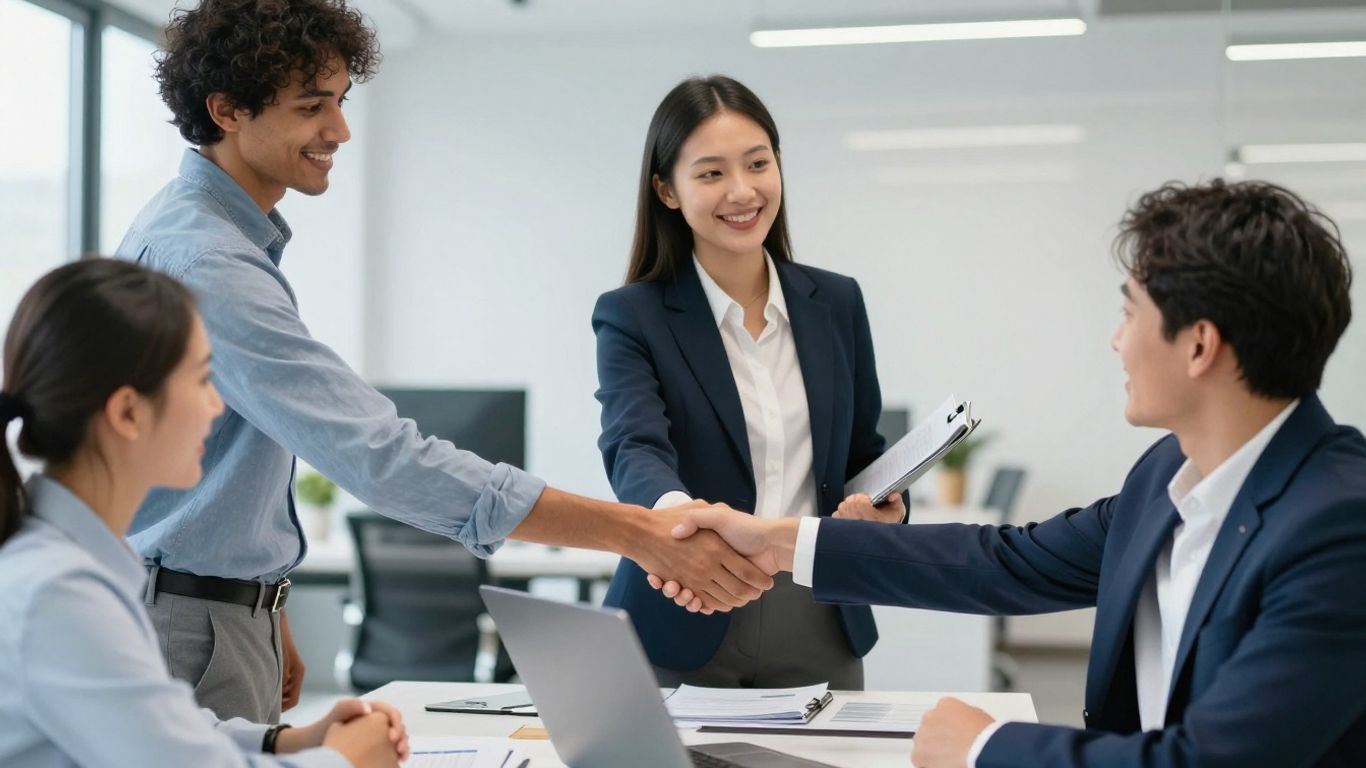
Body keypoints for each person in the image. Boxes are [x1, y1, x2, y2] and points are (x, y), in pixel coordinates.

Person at [114, 0, 771, 722]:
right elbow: (379, 456)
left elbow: (220, 456)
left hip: (217, 612)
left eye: (339, 101)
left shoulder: (212, 237)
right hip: (190, 623)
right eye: (311, 106)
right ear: (227, 110)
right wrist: (635, 533)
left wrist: (265, 606)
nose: (339, 130)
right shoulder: (209, 263)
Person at [658, 180, 1366, 767]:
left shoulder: (1338, 529)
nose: (1116, 340)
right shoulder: (1169, 475)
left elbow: (1212, 761)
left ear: (1200, 346)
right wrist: (776, 541)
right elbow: (1006, 563)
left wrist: (986, 746)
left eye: (1130, 313)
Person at [0, 259, 410, 768]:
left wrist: (291, 742)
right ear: (128, 412)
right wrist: (347, 760)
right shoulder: (59, 593)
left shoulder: (68, 568)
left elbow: (157, 727)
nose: (217, 407)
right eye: (202, 380)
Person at [593, 75, 905, 690]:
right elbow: (634, 445)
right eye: (711, 173)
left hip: (820, 608)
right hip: (683, 601)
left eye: (758, 164)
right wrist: (682, 529)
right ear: (667, 190)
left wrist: (885, 505)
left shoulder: (836, 302)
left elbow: (861, 454)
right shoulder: (633, 315)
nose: (742, 190)